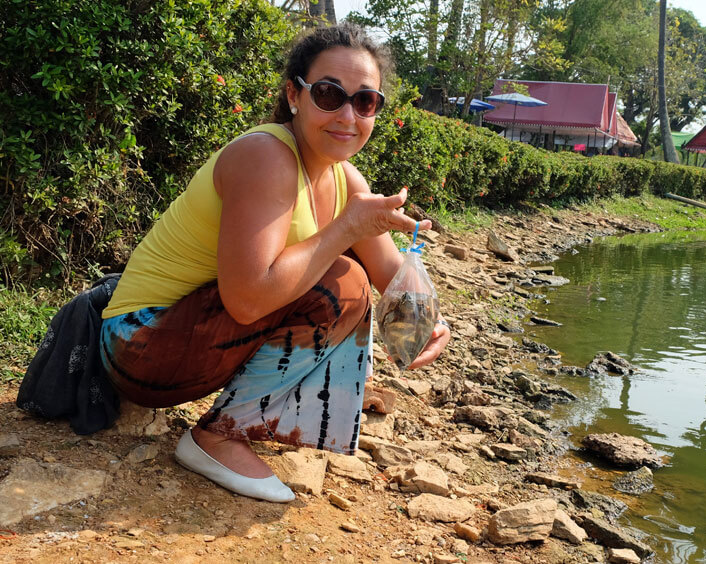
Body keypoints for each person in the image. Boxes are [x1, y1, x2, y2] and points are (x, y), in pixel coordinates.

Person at [99, 23, 449, 503]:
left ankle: (262, 418)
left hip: (186, 337)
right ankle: (217, 437)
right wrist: (346, 229)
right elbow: (246, 301)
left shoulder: (346, 178)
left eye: (365, 101)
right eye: (330, 94)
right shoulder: (265, 156)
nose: (348, 114)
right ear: (294, 95)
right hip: (138, 344)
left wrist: (429, 320)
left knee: (356, 295)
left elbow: (394, 280)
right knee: (343, 283)